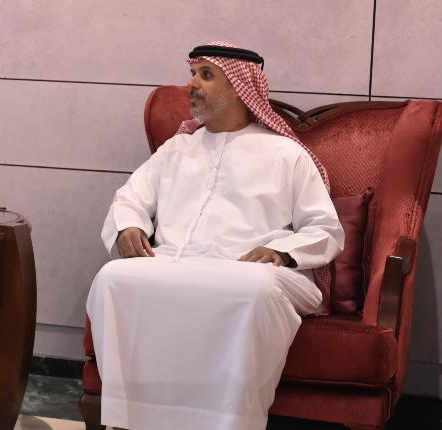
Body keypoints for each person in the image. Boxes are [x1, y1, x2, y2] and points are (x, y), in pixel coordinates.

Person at [86, 41, 344, 430]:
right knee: (112, 277)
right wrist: (129, 225)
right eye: (192, 74)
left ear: (240, 88)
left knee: (253, 290)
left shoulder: (285, 154)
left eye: (206, 75)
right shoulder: (178, 148)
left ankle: (229, 422)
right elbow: (130, 198)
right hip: (174, 260)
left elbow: (324, 228)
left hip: (251, 270)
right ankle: (131, 419)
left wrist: (281, 252)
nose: (192, 84)